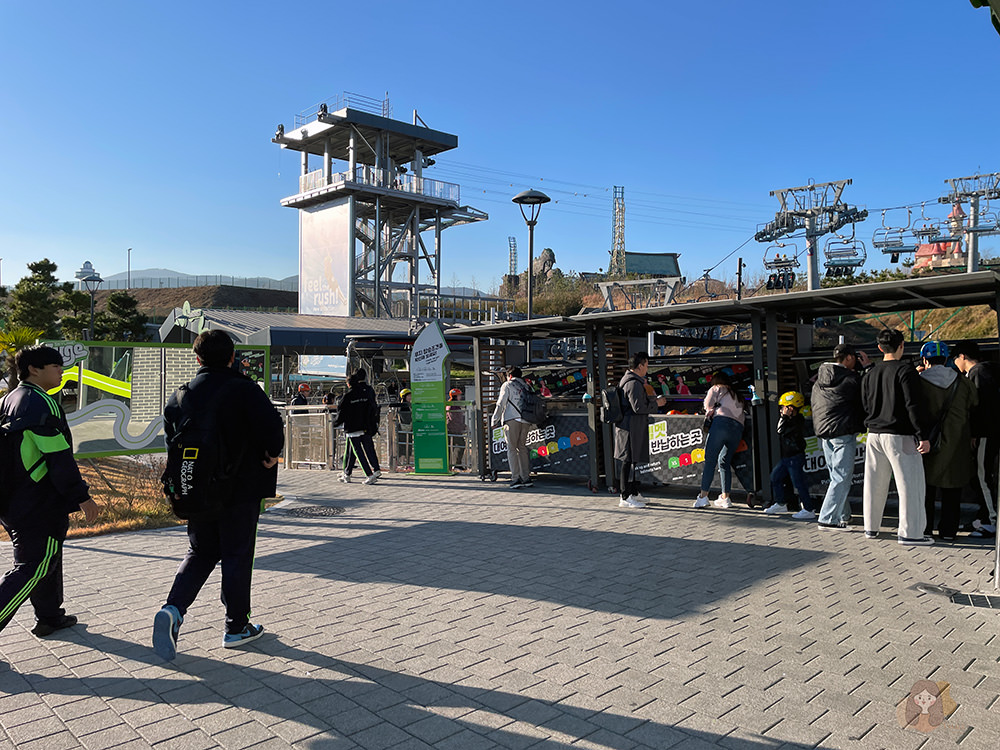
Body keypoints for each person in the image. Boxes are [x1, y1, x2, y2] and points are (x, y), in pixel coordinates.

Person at [153, 330, 284, 659]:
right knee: (237, 554)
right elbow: (272, 428)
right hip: (240, 489)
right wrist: (271, 454)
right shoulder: (244, 389)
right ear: (232, 356)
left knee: (200, 551)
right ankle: (236, 626)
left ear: (197, 359)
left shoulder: (181, 396)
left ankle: (173, 609)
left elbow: (172, 443)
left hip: (194, 488)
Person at [0, 346, 101, 641]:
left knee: (48, 556)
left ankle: (50, 617)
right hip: (36, 501)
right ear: (34, 369)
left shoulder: (10, 399)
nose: (61, 371)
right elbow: (58, 458)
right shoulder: (41, 403)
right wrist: (82, 496)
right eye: (56, 366)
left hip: (13, 497)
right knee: (33, 566)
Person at [861, 328, 933, 545]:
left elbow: (865, 404)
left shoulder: (870, 373)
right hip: (900, 435)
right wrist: (923, 435)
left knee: (873, 483)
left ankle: (871, 528)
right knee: (910, 484)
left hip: (873, 434)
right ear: (902, 345)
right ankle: (910, 533)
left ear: (880, 348)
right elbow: (914, 405)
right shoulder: (906, 371)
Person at [918, 341, 977, 541]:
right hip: (956, 442)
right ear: (945, 360)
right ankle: (949, 531)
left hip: (927, 442)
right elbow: (974, 404)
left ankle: (924, 529)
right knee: (952, 490)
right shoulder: (963, 383)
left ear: (925, 360)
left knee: (925, 488)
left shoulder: (918, 382)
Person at [811, 344, 869, 530]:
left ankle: (844, 514)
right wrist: (867, 368)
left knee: (835, 476)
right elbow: (867, 396)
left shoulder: (819, 379)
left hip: (824, 433)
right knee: (842, 476)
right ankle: (827, 519)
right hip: (843, 432)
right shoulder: (851, 379)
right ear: (850, 358)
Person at [952, 341, 999, 539]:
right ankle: (983, 516)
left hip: (986, 434)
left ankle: (992, 521)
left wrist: (975, 433)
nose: (954, 363)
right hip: (991, 433)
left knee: (983, 476)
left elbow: (980, 407)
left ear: (962, 356)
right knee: (984, 475)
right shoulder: (989, 370)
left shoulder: (977, 373)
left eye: (955, 358)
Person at [614, 352, 666, 508]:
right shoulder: (633, 383)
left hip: (631, 426)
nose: (647, 369)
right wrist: (657, 404)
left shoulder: (631, 380)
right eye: (647, 365)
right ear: (641, 365)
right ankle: (625, 496)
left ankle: (634, 492)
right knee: (627, 460)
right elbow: (638, 407)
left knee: (633, 459)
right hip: (630, 427)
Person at [761, 391, 817, 518]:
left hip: (795, 457)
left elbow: (780, 430)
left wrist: (785, 417)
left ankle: (808, 509)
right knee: (775, 477)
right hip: (787, 458)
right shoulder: (791, 420)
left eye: (783, 407)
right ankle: (781, 503)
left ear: (791, 408)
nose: (781, 410)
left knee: (799, 483)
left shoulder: (797, 421)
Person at [695, 370, 745, 509]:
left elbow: (708, 405)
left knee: (710, 461)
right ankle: (725, 497)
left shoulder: (716, 388)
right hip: (737, 430)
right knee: (724, 461)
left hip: (721, 425)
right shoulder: (737, 394)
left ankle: (703, 497)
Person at [334, 371, 381, 485]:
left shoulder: (347, 396)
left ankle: (369, 475)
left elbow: (341, 412)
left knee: (357, 451)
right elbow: (372, 408)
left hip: (352, 427)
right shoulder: (365, 394)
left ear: (348, 384)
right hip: (365, 426)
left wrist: (335, 423)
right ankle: (347, 474)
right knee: (353, 451)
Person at [491, 366, 533, 489]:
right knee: (522, 448)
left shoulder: (507, 385)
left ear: (509, 376)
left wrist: (494, 420)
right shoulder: (526, 385)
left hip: (511, 420)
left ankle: (515, 479)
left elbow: (500, 403)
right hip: (526, 420)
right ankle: (526, 478)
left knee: (512, 449)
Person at [446, 388, 467, 470]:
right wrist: (463, 426)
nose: (460, 397)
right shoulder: (453, 406)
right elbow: (454, 418)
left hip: (454, 428)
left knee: (452, 447)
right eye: (459, 395)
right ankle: (455, 464)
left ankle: (451, 465)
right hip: (454, 429)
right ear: (455, 396)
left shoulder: (452, 404)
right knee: (460, 444)